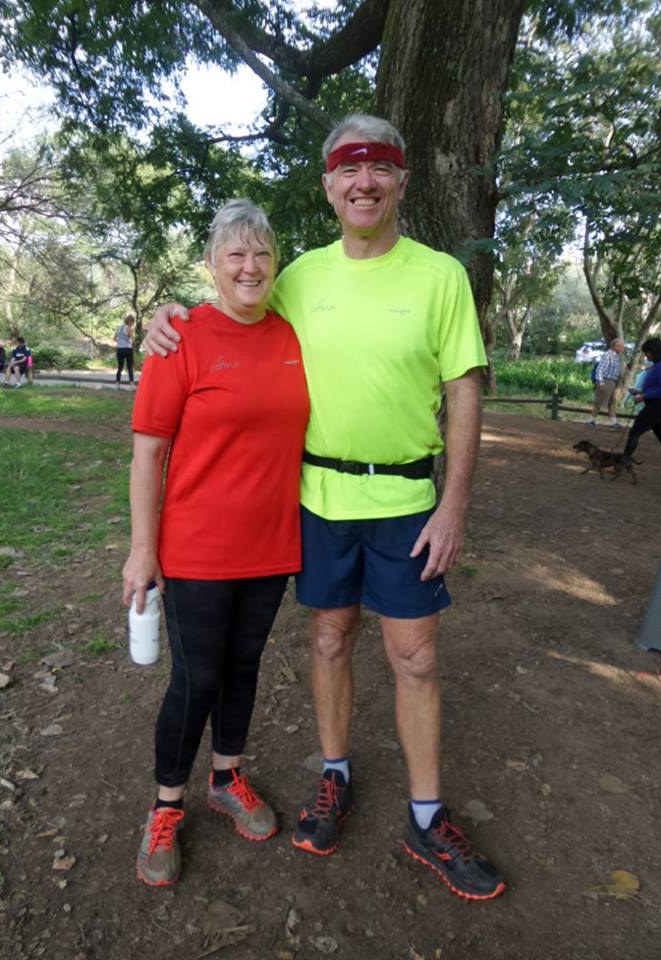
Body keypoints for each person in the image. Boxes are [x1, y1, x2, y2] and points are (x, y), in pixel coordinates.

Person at [143, 114, 505, 900]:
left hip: (407, 500)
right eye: (348, 168)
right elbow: (232, 299)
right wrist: (166, 316)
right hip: (317, 499)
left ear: (401, 179)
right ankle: (332, 777)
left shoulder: (440, 275)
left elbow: (463, 391)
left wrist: (453, 504)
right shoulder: (299, 275)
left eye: (379, 168)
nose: (363, 182)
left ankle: (426, 816)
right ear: (328, 185)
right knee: (331, 639)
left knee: (416, 658)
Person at [122, 199, 309, 887]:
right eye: (235, 254)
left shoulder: (294, 334)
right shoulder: (180, 338)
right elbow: (148, 453)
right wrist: (142, 549)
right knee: (197, 676)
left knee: (244, 665)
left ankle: (227, 777)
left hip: (271, 545)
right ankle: (166, 805)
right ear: (211, 265)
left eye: (261, 252)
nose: (250, 266)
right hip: (196, 547)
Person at [623, 337, 661, 459]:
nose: (646, 355)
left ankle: (623, 461)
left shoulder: (660, 366)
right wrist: (640, 392)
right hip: (656, 405)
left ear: (654, 351)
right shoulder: (657, 365)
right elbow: (656, 387)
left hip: (657, 406)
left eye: (647, 352)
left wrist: (644, 396)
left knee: (635, 432)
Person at [586, 338, 625, 428]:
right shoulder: (608, 355)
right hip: (605, 381)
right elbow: (600, 369)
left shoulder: (616, 356)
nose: (622, 348)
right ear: (614, 346)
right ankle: (590, 421)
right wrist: (601, 382)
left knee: (612, 402)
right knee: (599, 402)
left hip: (612, 382)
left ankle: (614, 423)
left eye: (622, 346)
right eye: (620, 346)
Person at [115, 316, 135, 386]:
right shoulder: (129, 328)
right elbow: (133, 340)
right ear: (130, 322)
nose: (133, 324)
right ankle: (131, 383)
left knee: (120, 367)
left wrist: (120, 342)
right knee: (130, 367)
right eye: (132, 322)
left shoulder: (118, 328)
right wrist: (131, 343)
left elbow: (114, 338)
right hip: (127, 349)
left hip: (119, 349)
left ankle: (117, 383)